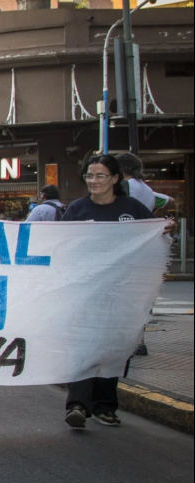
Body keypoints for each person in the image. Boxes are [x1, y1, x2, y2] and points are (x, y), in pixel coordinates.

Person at [63, 155, 174, 428]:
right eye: (89, 176)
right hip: (85, 292)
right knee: (83, 347)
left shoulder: (132, 208)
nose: (93, 181)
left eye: (100, 176)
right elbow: (61, 245)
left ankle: (105, 406)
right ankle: (77, 404)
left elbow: (154, 235)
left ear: (115, 178)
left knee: (112, 348)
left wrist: (166, 228)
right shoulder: (77, 210)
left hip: (121, 293)